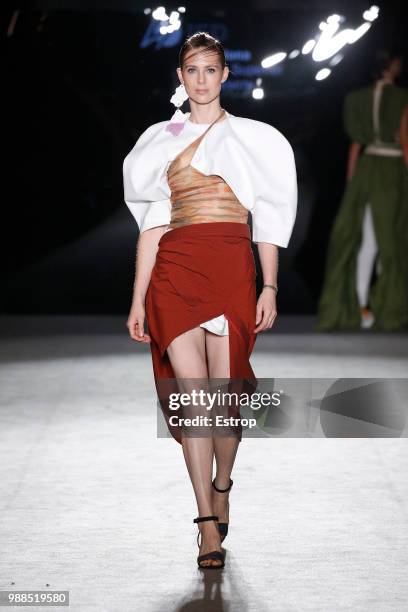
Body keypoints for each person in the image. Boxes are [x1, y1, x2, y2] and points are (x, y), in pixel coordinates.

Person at [123, 32, 297, 569]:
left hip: (229, 270)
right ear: (181, 76)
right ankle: (206, 524)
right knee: (193, 402)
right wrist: (136, 301)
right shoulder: (159, 140)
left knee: (225, 405)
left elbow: (266, 220)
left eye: (210, 70)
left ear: (225, 75)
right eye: (191, 70)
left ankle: (223, 482)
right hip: (174, 273)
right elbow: (152, 227)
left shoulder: (256, 139)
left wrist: (268, 285)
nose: (201, 79)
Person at [316, 47, 408, 332]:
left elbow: (355, 146)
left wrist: (352, 185)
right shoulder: (402, 98)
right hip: (392, 171)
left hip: (366, 170)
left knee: (366, 242)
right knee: (391, 242)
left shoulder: (357, 99)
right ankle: (386, 308)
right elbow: (405, 142)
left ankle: (361, 307)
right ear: (392, 65)